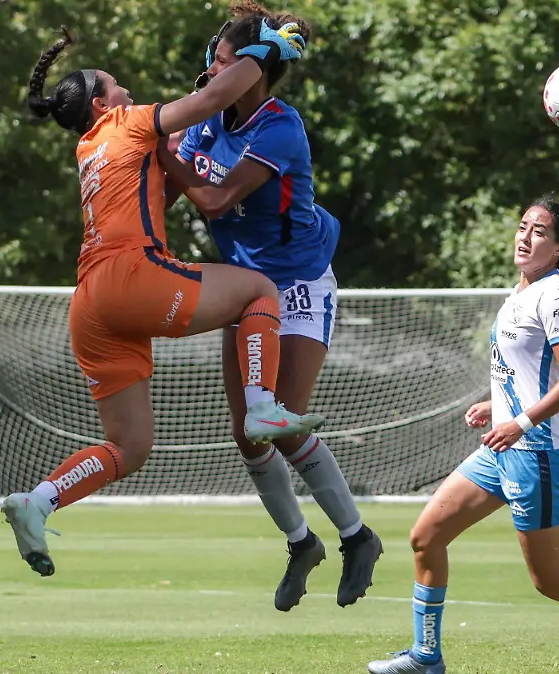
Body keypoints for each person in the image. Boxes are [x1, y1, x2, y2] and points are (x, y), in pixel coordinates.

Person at [0, 24, 325, 579]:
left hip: (90, 304)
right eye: (117, 86)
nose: (128, 91)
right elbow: (213, 98)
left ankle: (40, 500)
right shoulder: (124, 123)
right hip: (132, 277)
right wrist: (265, 50)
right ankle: (262, 406)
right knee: (258, 290)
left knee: (129, 446)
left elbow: (178, 176)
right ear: (101, 103)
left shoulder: (88, 147)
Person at [365, 197, 559, 674]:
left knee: (551, 580)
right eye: (523, 226)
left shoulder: (555, 295)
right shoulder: (521, 292)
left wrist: (520, 421)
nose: (525, 236)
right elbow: (532, 372)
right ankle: (426, 657)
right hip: (502, 450)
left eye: (539, 231)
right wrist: (497, 407)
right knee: (426, 536)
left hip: (538, 454)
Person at [152, 0, 383, 612]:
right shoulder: (207, 122)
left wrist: (162, 149)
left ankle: (359, 537)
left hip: (298, 285)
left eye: (226, 63)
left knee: (276, 421)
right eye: (213, 60)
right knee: (248, 436)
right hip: (245, 289)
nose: (212, 72)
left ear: (254, 71)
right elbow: (173, 194)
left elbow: (218, 200)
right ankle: (301, 542)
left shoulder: (280, 126)